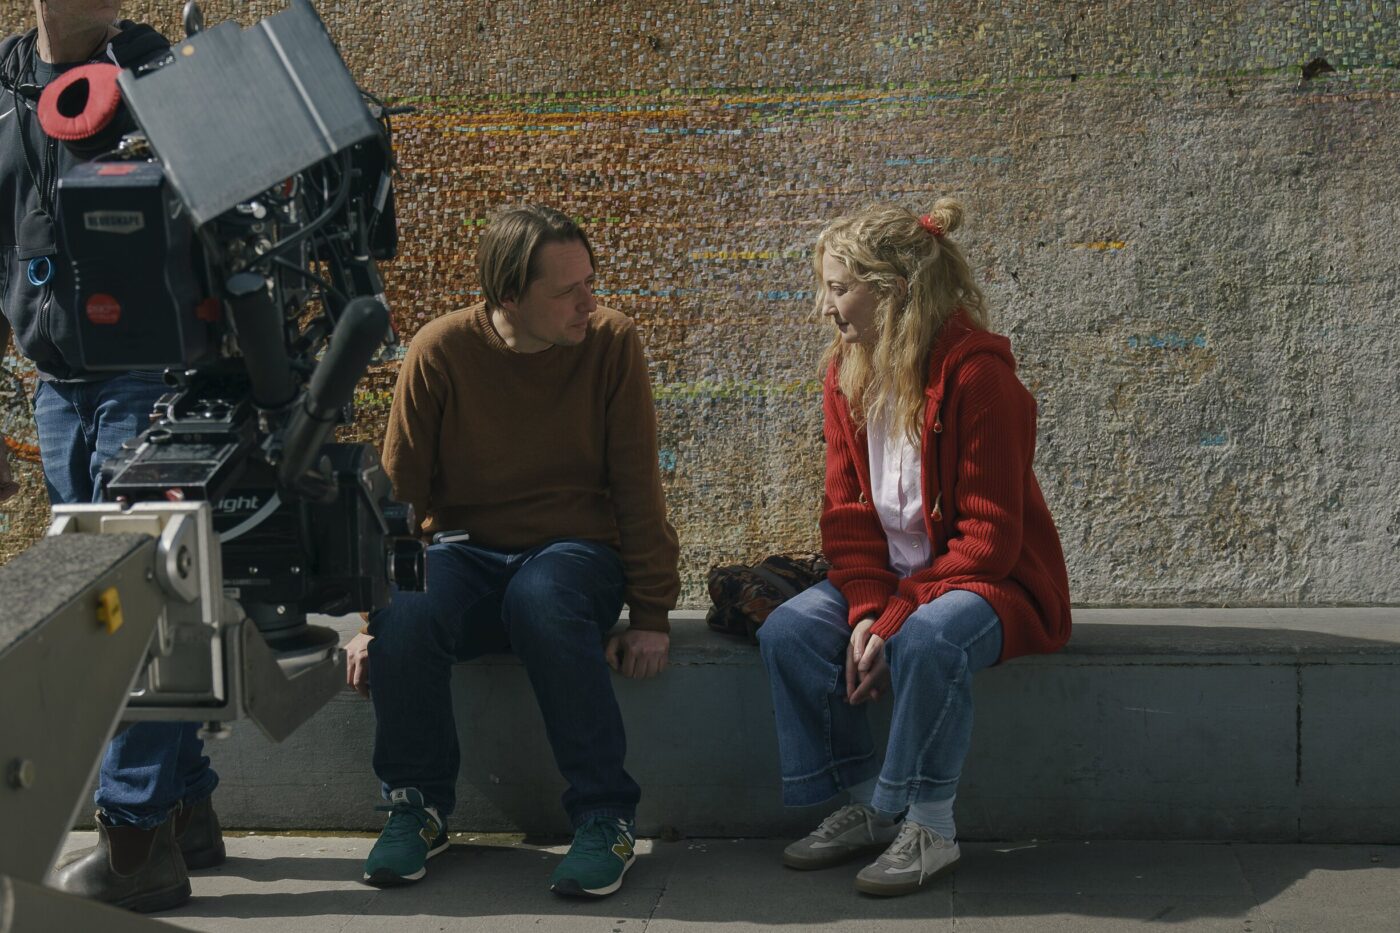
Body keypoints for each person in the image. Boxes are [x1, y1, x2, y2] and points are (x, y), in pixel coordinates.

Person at [344, 204, 680, 897]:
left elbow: (638, 486)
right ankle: (416, 807)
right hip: (466, 553)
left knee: (543, 595)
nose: (589, 303)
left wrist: (651, 613)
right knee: (409, 606)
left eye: (591, 282)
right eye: (567, 291)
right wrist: (374, 618)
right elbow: (398, 498)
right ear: (509, 296)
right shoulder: (441, 350)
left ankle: (606, 817)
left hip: (575, 555)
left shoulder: (610, 343)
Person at [758, 199, 1072, 897]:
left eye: (838, 288)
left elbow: (988, 542)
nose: (824, 306)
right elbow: (846, 515)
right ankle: (870, 804)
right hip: (898, 582)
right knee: (788, 632)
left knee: (929, 640)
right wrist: (869, 607)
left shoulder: (979, 378)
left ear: (893, 289)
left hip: (992, 584)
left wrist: (896, 616)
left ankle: (931, 826)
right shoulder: (846, 371)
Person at [0, 1, 224, 913]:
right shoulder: (6, 88)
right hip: (57, 384)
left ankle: (134, 841)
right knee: (109, 607)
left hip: (150, 378)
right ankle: (187, 808)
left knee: (127, 609)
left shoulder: (158, 74)